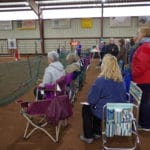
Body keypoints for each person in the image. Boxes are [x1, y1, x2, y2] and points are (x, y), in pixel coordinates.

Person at [80, 54, 127, 143]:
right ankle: (97, 132)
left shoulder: (101, 81)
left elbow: (91, 100)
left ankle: (89, 136)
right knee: (99, 105)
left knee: (87, 108)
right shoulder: (121, 80)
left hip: (107, 112)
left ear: (104, 65)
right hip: (120, 111)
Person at [131, 26, 150, 130]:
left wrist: (133, 73)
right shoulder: (145, 46)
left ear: (144, 34)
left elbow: (141, 65)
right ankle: (144, 122)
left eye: (138, 33)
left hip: (144, 79)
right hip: (145, 78)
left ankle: (146, 124)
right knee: (144, 101)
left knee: (144, 102)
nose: (137, 35)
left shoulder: (145, 47)